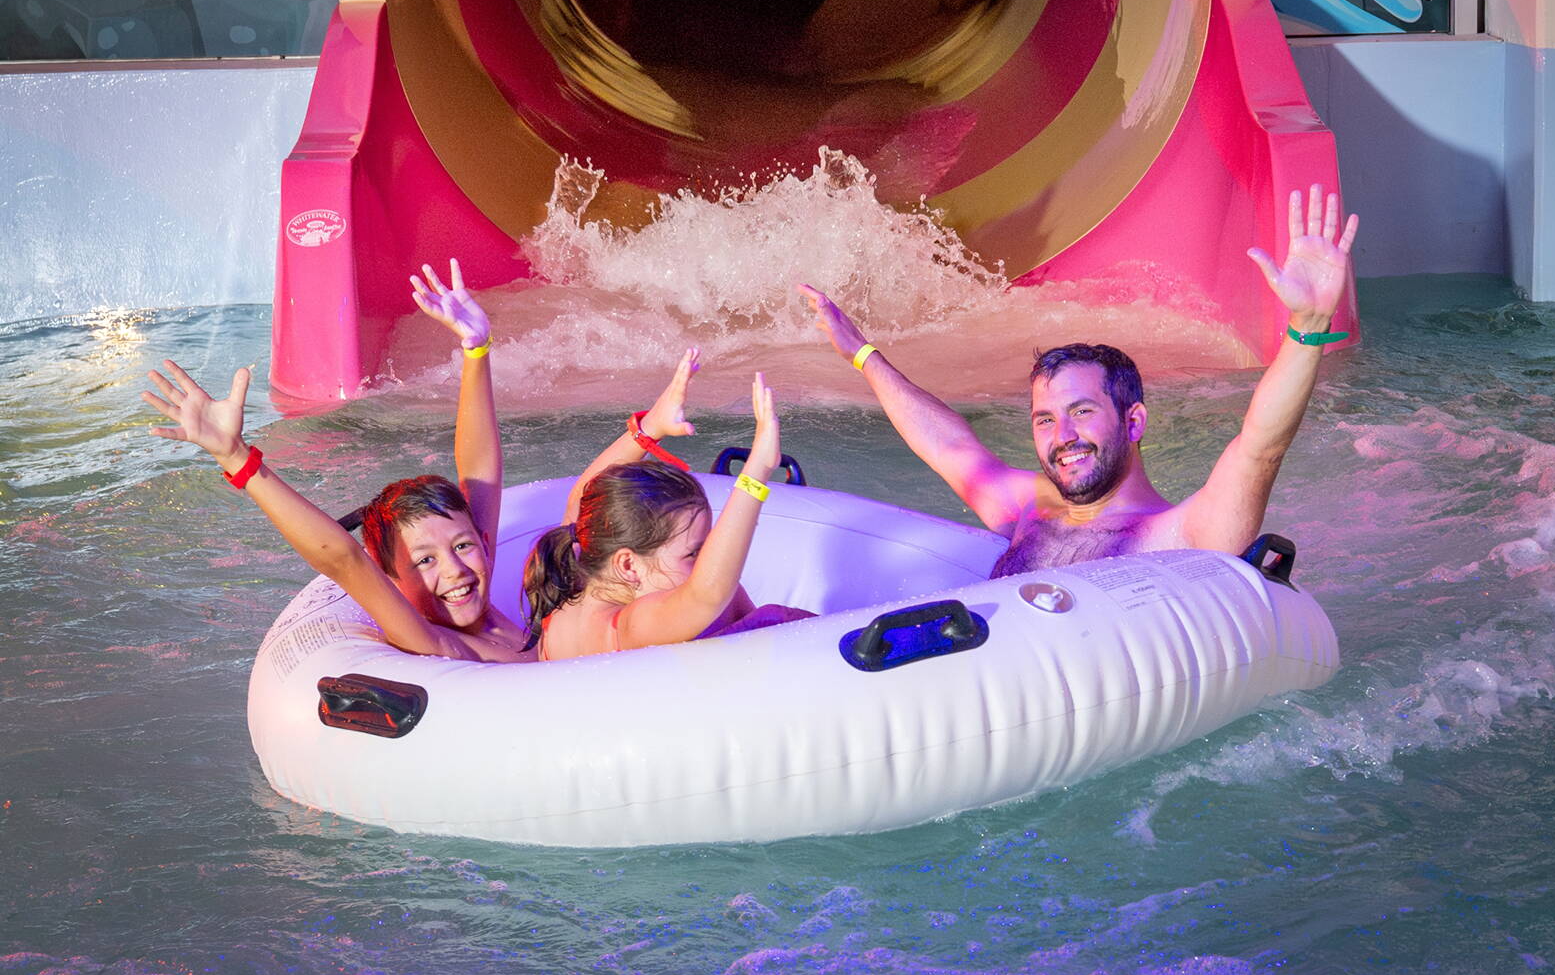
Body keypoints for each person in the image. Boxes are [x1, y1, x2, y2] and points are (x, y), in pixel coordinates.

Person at [799, 184, 1360, 576]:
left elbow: (1259, 449)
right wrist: (862, 353)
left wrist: (1307, 328)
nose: (1061, 434)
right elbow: (951, 448)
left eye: (1082, 411)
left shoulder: (1182, 535)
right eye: (1045, 419)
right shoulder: (1028, 511)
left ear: (1134, 419)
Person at [142, 260, 535, 662]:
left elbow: (480, 470)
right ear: (394, 581)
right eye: (424, 560)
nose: (454, 570)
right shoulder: (442, 644)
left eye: (464, 545)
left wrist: (477, 349)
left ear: (485, 545)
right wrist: (235, 455)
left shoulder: (480, 598)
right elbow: (344, 559)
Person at [524, 358, 812, 661]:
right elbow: (707, 593)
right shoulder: (626, 628)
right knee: (764, 614)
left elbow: (579, 499)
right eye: (692, 553)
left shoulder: (568, 583)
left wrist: (649, 429)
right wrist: (757, 472)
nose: (707, 557)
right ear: (628, 566)